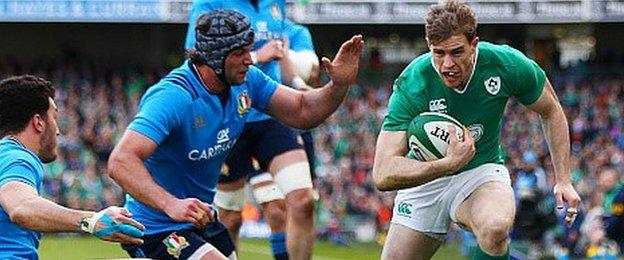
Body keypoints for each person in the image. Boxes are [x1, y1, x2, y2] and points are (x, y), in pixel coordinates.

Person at [109, 9, 363, 260]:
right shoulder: (172, 96)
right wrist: (170, 204)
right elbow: (121, 161)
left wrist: (339, 86)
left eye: (249, 50)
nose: (250, 59)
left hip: (200, 220)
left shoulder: (247, 81)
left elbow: (303, 110)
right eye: (239, 53)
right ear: (214, 57)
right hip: (155, 226)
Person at [371, 1, 580, 259]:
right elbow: (382, 173)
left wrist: (564, 179)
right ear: (429, 46)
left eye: (457, 52)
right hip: (425, 180)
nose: (447, 64)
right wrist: (446, 164)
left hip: (480, 172)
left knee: (495, 228)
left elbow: (552, 109)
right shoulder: (413, 82)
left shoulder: (506, 64)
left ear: (474, 44)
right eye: (438, 53)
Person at [184, 2, 320, 259]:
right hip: (229, 119)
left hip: (270, 114)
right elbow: (195, 61)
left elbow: (282, 58)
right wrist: (257, 57)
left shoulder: (276, 5)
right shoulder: (209, 4)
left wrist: (298, 84)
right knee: (230, 219)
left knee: (302, 201)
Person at [0, 75, 145, 259]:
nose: (58, 130)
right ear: (39, 122)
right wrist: (92, 221)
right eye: (54, 117)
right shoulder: (17, 157)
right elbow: (22, 208)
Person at [599, 167, 624, 252]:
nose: (604, 183)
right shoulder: (607, 194)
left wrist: (606, 233)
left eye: (608, 181)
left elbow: (617, 217)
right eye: (603, 180)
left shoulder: (620, 196)